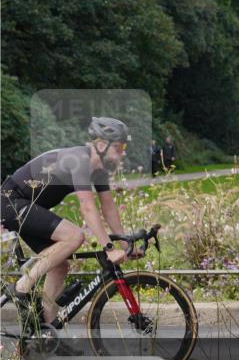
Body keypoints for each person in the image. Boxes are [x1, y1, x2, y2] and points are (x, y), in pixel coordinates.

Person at [1, 117, 140, 327]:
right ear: (101, 145)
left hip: (25, 206)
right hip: (11, 201)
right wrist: (109, 247)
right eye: (120, 147)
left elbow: (108, 208)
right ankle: (22, 286)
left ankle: (46, 331)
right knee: (75, 236)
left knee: (59, 266)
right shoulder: (79, 160)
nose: (123, 152)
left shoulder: (98, 169)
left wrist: (124, 245)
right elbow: (87, 207)